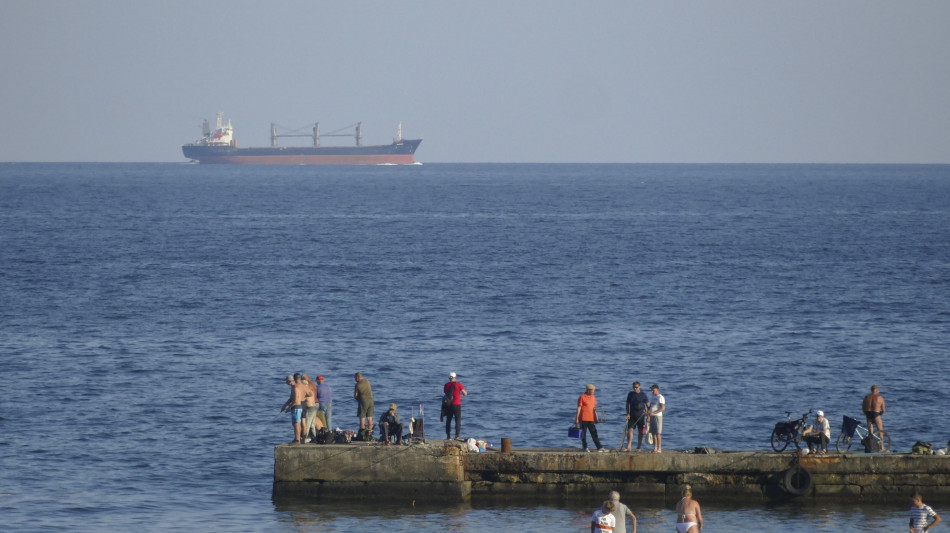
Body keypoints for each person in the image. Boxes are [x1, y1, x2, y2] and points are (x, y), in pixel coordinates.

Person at [576, 384, 605, 452]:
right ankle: (585, 447)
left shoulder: (593, 397)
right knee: (583, 434)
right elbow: (579, 408)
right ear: (588, 390)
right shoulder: (582, 397)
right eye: (592, 390)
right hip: (583, 418)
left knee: (594, 433)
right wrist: (577, 418)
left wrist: (596, 418)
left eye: (594, 390)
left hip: (591, 418)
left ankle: (599, 447)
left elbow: (594, 408)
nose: (593, 391)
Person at [279, 374, 307, 444]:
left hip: (297, 407)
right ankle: (296, 438)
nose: (286, 383)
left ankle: (297, 440)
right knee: (294, 423)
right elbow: (291, 398)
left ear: (290, 381)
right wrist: (285, 405)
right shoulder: (292, 388)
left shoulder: (295, 388)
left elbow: (296, 400)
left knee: (296, 424)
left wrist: (289, 407)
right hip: (296, 407)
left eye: (287, 382)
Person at [624, 382, 650, 451]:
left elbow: (648, 405)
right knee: (630, 430)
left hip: (640, 416)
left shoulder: (643, 395)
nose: (635, 388)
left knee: (640, 432)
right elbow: (627, 404)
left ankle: (638, 447)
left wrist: (648, 412)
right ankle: (629, 446)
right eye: (634, 387)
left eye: (636, 387)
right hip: (632, 415)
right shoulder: (630, 394)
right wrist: (628, 413)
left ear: (639, 387)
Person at [443, 371, 468, 440]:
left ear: (449, 378)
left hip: (449, 405)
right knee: (457, 420)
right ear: (455, 378)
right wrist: (464, 393)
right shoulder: (458, 384)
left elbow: (445, 393)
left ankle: (448, 436)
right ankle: (457, 436)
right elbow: (465, 393)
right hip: (456, 404)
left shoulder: (446, 385)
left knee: (448, 420)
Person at [301, 374, 319, 443]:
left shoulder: (306, 391)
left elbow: (304, 399)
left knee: (307, 424)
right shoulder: (310, 389)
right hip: (314, 407)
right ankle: (314, 437)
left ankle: (305, 438)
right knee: (312, 424)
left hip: (309, 408)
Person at [648, 384, 665, 453]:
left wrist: (654, 412)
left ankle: (659, 448)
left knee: (658, 433)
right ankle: (655, 448)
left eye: (653, 390)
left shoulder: (660, 397)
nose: (652, 391)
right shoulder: (653, 397)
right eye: (651, 390)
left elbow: (663, 408)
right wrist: (648, 412)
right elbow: (651, 406)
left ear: (657, 389)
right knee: (653, 433)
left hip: (658, 416)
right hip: (652, 416)